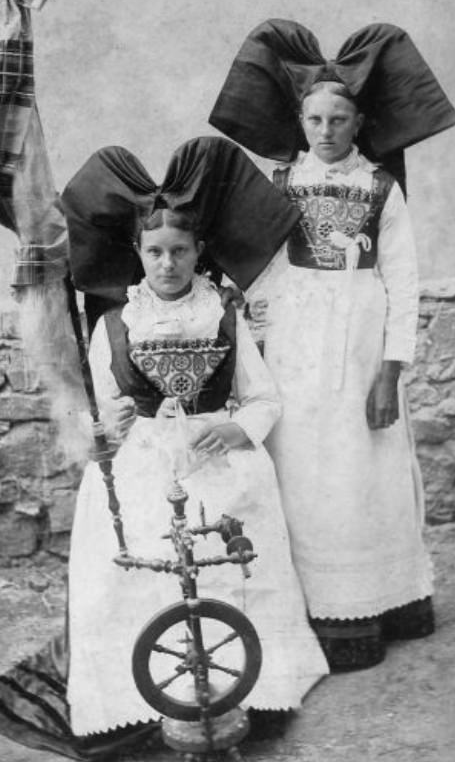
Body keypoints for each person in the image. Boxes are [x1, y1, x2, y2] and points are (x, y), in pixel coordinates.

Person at [208, 19, 455, 671]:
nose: (326, 131)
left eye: (339, 120)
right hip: (296, 342)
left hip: (359, 345)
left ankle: (381, 597)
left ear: (358, 122)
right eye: (315, 120)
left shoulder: (381, 189)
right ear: (301, 122)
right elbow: (262, 266)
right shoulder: (281, 184)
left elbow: (402, 283)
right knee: (304, 468)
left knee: (362, 470)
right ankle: (319, 604)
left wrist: (389, 373)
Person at [67, 204, 329, 736]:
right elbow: (100, 407)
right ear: (139, 255)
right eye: (155, 252)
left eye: (179, 251)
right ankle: (143, 691)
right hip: (144, 460)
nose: (167, 264)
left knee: (226, 555)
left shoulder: (224, 317)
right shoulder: (114, 326)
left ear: (198, 252)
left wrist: (235, 430)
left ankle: (253, 686)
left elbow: (263, 399)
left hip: (219, 459)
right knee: (143, 551)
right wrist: (109, 421)